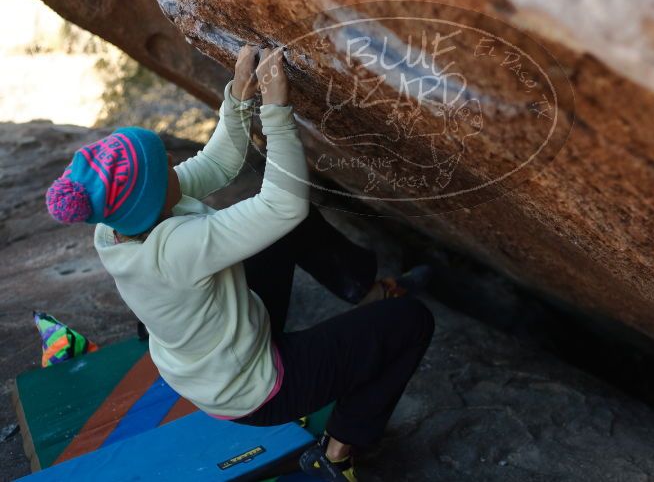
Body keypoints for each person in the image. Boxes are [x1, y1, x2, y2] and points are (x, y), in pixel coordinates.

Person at [45, 44, 435, 482]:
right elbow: (283, 203)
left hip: (221, 349)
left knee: (288, 230)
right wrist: (276, 109)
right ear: (151, 199)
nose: (175, 165)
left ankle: (366, 293)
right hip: (256, 392)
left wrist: (239, 94)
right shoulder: (176, 248)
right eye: (166, 167)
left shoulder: (114, 226)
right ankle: (338, 452)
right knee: (412, 322)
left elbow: (216, 163)